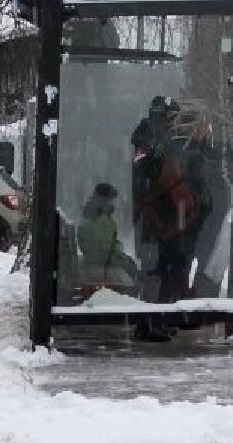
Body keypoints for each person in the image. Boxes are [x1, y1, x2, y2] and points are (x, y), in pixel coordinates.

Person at [129, 96, 205, 342]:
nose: (175, 123)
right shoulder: (149, 140)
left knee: (164, 270)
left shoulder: (158, 139)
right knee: (153, 271)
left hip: (163, 219)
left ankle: (157, 319)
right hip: (153, 220)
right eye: (172, 118)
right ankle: (146, 324)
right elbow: (145, 179)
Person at [77, 182, 139, 293]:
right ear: (103, 200)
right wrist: (121, 257)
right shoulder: (96, 222)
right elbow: (103, 254)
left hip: (103, 267)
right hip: (101, 270)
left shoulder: (103, 219)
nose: (112, 203)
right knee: (131, 277)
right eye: (110, 199)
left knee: (132, 270)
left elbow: (109, 245)